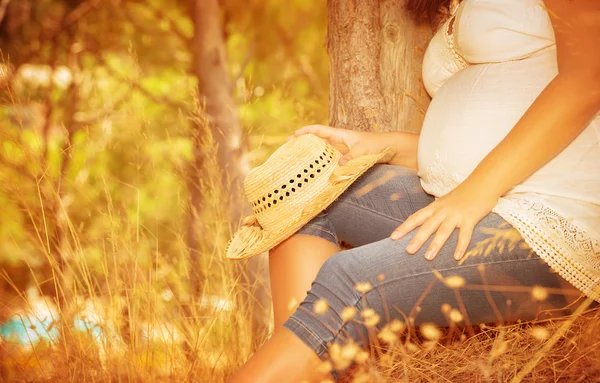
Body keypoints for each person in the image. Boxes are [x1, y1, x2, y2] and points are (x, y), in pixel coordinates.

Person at [230, 0, 600, 381]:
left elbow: (588, 76)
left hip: (554, 214)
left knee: (352, 279)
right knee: (309, 196)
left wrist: (477, 190)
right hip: (477, 196)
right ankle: (301, 364)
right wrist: (377, 144)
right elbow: (480, 131)